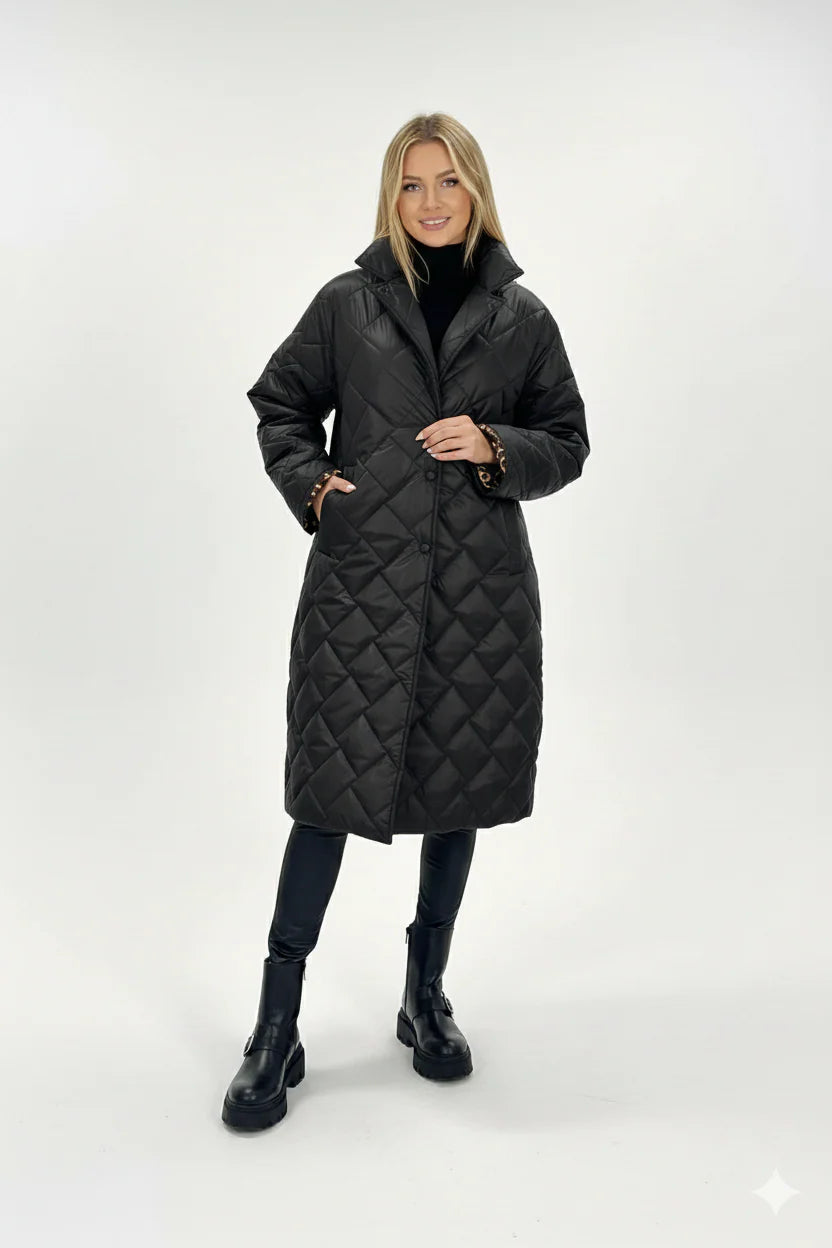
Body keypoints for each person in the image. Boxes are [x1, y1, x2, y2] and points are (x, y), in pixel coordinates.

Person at [222, 112, 590, 1131]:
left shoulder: (522, 318)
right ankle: (275, 1026)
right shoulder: (347, 304)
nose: (431, 201)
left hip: (478, 596)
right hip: (360, 591)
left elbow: (568, 439)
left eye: (449, 181)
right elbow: (280, 404)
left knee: (456, 794)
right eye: (413, 183)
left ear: (476, 190)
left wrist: (496, 444)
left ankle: (424, 997)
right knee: (324, 799)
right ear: (392, 195)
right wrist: (314, 489)